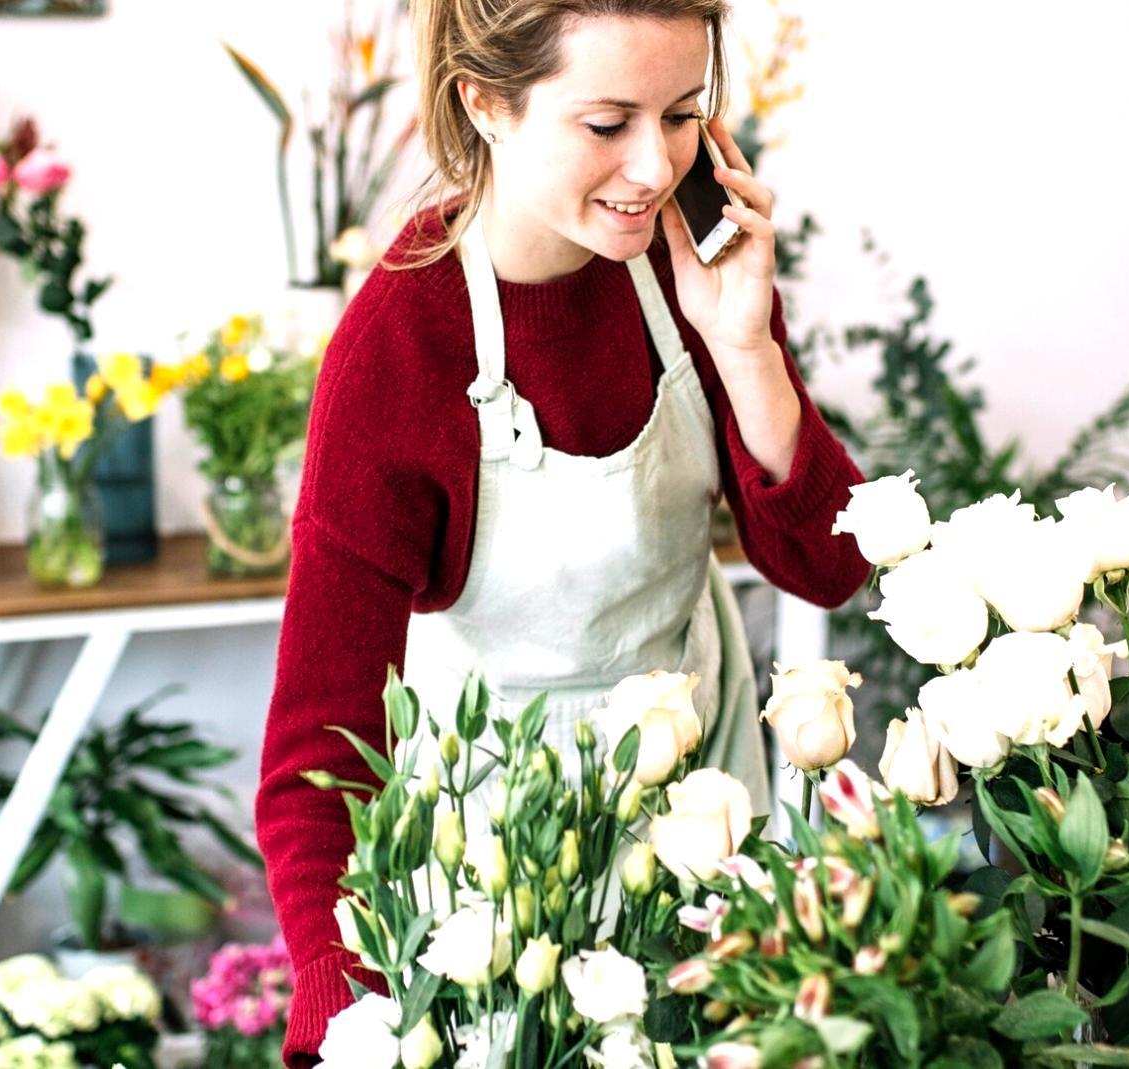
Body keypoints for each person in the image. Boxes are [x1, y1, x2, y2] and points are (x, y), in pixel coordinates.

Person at [255, 0, 870, 1062]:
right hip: (495, 886)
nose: (654, 167)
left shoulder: (692, 269)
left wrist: (745, 348)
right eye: (606, 123)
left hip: (706, 826)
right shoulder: (398, 353)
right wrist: (347, 1021)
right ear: (484, 103)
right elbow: (316, 757)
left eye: (681, 114)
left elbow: (826, 564)